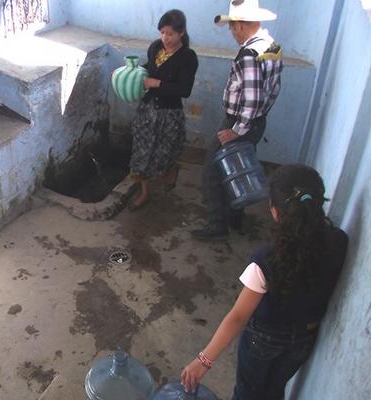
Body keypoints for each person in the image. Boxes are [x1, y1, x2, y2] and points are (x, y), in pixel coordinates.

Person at [181, 164, 349, 399]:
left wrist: (203, 360)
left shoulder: (266, 260)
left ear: (275, 211)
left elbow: (238, 316)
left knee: (247, 393)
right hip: (304, 338)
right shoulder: (339, 242)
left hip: (264, 339)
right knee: (274, 391)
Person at [192, 0, 283, 238]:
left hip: (239, 122)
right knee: (237, 170)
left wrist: (236, 129)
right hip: (256, 122)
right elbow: (272, 90)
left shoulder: (249, 55)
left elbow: (251, 99)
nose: (232, 33)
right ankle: (235, 218)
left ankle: (217, 227)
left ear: (240, 26)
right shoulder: (272, 46)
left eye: (232, 27)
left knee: (212, 173)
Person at [128, 9, 198, 211]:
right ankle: (144, 192)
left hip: (169, 113)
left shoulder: (188, 57)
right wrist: (131, 74)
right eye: (162, 33)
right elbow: (149, 67)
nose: (165, 38)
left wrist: (156, 83)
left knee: (164, 152)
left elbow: (184, 90)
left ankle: (172, 168)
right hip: (148, 110)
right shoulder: (156, 47)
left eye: (170, 34)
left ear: (181, 32)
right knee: (141, 151)